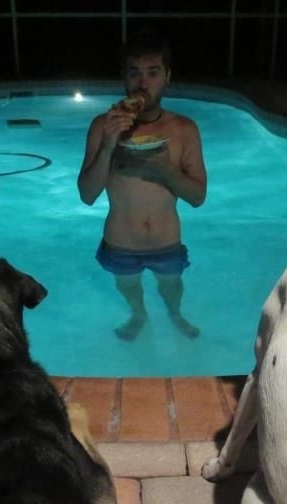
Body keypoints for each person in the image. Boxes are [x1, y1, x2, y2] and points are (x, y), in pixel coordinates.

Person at [78, 31, 207, 340]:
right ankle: (138, 314)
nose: (142, 83)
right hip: (120, 241)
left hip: (167, 240)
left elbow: (197, 197)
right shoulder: (103, 126)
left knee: (171, 284)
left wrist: (165, 170)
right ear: (123, 77)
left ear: (167, 77)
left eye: (153, 73)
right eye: (134, 72)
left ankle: (175, 314)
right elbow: (87, 195)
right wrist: (108, 145)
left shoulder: (184, 129)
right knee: (128, 285)